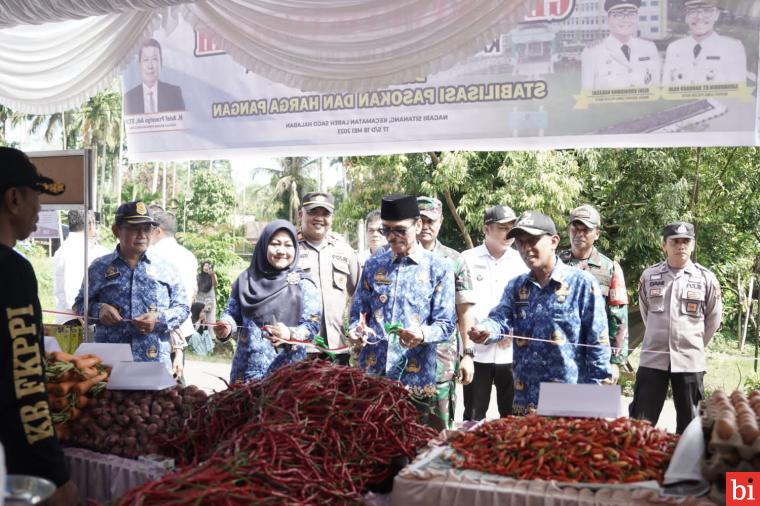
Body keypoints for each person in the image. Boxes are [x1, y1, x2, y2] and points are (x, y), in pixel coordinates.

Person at [468, 211, 612, 415]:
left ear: (554, 241)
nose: (526, 249)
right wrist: (486, 330)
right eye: (520, 242)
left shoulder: (582, 283)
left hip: (569, 402)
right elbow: (499, 319)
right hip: (523, 399)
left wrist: (598, 404)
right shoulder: (517, 286)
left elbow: (599, 345)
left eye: (533, 241)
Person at [0, 147, 78, 504]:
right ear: (14, 198)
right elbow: (24, 385)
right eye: (37, 197)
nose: (40, 210)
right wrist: (53, 475)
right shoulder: (11, 271)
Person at [348, 194, 455, 430]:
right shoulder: (374, 265)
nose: (392, 237)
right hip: (373, 375)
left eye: (399, 230)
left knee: (416, 446)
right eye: (386, 230)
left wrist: (422, 334)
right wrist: (356, 330)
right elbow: (357, 313)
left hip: (415, 378)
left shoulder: (439, 268)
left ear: (417, 226)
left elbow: (446, 324)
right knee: (375, 446)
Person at [73, 201, 189, 372]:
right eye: (134, 228)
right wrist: (99, 309)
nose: (142, 235)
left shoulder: (166, 268)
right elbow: (79, 304)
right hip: (111, 364)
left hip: (153, 362)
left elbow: (183, 308)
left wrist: (159, 319)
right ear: (116, 231)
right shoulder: (99, 267)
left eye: (147, 229)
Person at [629, 222, 722, 434]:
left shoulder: (706, 278)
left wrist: (694, 344)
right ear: (664, 245)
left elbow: (713, 319)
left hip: (690, 360)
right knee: (640, 421)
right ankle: (641, 464)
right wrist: (657, 336)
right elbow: (646, 313)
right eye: (675, 241)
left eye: (686, 241)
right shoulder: (649, 276)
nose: (681, 245)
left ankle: (687, 465)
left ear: (693, 245)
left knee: (692, 424)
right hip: (653, 358)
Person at [214, 220, 321, 383]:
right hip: (245, 375)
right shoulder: (245, 280)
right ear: (264, 246)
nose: (281, 251)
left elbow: (312, 325)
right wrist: (226, 326)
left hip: (286, 377)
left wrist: (290, 334)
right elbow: (232, 313)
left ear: (295, 248)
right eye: (275, 244)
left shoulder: (304, 284)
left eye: (288, 245)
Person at [460, 205, 528, 420]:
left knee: (512, 418)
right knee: (473, 415)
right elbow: (461, 307)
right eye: (502, 227)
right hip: (476, 352)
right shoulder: (466, 260)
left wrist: (511, 330)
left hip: (511, 352)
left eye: (511, 227)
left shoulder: (522, 261)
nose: (508, 233)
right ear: (486, 229)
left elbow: (527, 304)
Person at [417, 196, 475, 429]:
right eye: (421, 220)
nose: (426, 226)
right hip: (403, 363)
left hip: (442, 360)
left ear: (440, 222)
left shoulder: (454, 260)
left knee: (440, 434)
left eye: (431, 221)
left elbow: (465, 311)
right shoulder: (396, 257)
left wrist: (468, 354)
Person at [559, 205, 628, 382]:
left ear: (597, 233)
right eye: (575, 228)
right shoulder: (555, 264)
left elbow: (618, 317)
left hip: (597, 353)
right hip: (559, 352)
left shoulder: (610, 268)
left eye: (586, 230)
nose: (579, 234)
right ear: (569, 229)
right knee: (557, 408)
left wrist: (615, 361)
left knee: (594, 407)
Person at [296, 192, 359, 365]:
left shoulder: (344, 251)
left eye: (325, 213)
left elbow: (360, 295)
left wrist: (356, 328)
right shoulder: (288, 249)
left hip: (336, 348)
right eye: (313, 212)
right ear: (301, 214)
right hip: (299, 347)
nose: (319, 218)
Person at [150, 210, 198, 382]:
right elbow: (192, 293)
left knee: (159, 381)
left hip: (158, 327)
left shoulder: (152, 254)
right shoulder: (188, 255)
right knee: (176, 377)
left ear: (158, 230)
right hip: (183, 326)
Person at [580, 0, 661, 91]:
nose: (626, 20)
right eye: (618, 15)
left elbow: (656, 92)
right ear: (608, 19)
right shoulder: (592, 52)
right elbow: (587, 97)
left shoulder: (649, 48)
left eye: (631, 14)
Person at [663, 0, 747, 85]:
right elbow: (666, 89)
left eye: (707, 10)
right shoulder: (674, 48)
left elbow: (737, 92)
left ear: (716, 14)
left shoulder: (732, 48)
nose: (699, 17)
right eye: (693, 11)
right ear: (686, 16)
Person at [52, 210, 109, 324]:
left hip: (73, 317)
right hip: (76, 320)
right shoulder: (77, 250)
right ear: (91, 223)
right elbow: (73, 292)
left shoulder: (67, 248)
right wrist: (84, 322)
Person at [124, 38, 186, 115]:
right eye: (146, 60)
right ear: (139, 65)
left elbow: (182, 124)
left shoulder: (174, 93)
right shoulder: (129, 97)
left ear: (161, 63)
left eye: (154, 59)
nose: (150, 66)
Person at [196, 260, 218, 325]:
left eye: (208, 266)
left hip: (210, 300)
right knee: (198, 322)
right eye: (205, 265)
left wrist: (212, 275)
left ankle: (211, 334)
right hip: (199, 300)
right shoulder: (198, 276)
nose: (206, 267)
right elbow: (196, 288)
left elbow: (215, 284)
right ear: (202, 267)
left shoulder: (212, 275)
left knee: (210, 321)